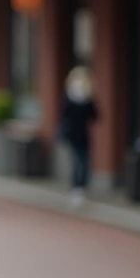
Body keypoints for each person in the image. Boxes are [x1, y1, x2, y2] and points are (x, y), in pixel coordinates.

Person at [57, 66, 99, 207]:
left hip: (84, 135)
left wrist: (88, 101)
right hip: (73, 135)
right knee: (77, 161)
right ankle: (76, 188)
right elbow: (64, 115)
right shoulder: (69, 96)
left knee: (85, 162)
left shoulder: (88, 97)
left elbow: (95, 115)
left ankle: (81, 187)